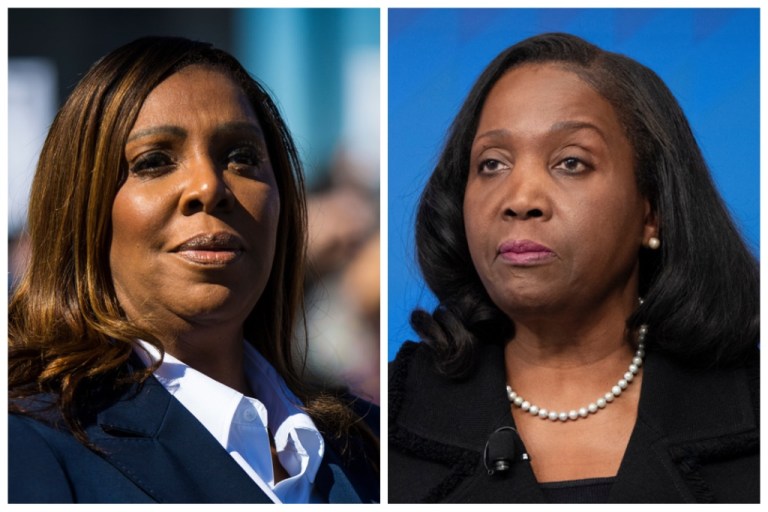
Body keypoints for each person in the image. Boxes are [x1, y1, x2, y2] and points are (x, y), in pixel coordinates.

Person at [388, 33, 758, 503]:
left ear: (652, 212)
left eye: (570, 162)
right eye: (492, 164)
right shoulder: (381, 418)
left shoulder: (750, 399)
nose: (520, 200)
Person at [8, 36, 379, 504]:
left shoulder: (374, 443)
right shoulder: (27, 444)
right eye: (154, 161)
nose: (208, 186)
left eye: (241, 156)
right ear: (82, 209)